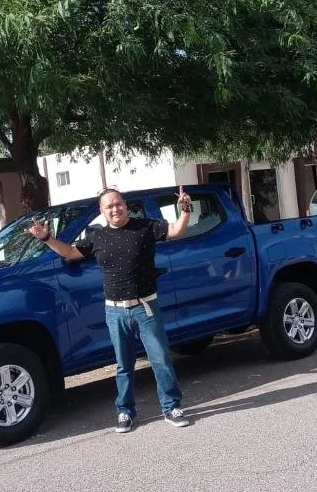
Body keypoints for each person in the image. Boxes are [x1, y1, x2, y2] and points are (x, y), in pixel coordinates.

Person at [25, 185, 193, 433]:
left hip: (146, 307)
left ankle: (171, 407)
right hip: (115, 311)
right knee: (123, 365)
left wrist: (185, 209)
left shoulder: (146, 227)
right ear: (102, 211)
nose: (115, 208)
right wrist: (46, 238)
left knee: (161, 360)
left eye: (118, 203)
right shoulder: (97, 237)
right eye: (109, 206)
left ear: (125, 204)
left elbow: (177, 230)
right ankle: (125, 411)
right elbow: (70, 253)